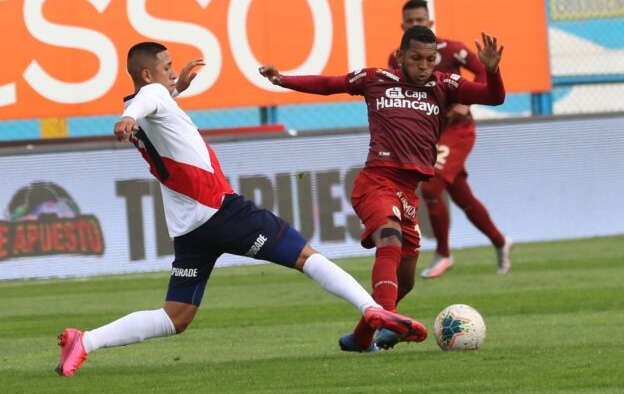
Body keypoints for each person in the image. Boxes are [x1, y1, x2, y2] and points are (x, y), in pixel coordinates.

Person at [55, 42, 429, 377]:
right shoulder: (148, 99)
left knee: (175, 316)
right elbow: (148, 101)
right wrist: (130, 117)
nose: (172, 72)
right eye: (166, 68)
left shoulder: (149, 102)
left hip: (189, 227)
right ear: (147, 75)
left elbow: (151, 105)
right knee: (305, 256)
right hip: (220, 210)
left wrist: (172, 91)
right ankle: (370, 308)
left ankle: (84, 341)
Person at [259, 25, 505, 352]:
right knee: (389, 239)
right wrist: (283, 79)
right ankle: (389, 318)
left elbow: (493, 97)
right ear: (400, 55)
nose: (424, 66)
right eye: (416, 58)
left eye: (430, 59)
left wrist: (492, 71)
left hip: (408, 193)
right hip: (376, 182)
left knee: (405, 280)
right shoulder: (376, 79)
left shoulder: (444, 84)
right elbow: (330, 84)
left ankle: (361, 339)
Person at [389, 0, 513, 280]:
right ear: (402, 26)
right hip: (429, 135)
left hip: (457, 131)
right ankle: (500, 241)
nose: (415, 24)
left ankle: (444, 252)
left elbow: (482, 71)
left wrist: (466, 103)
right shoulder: (397, 59)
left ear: (430, 22)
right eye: (410, 21)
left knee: (431, 187)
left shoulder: (452, 49)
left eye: (420, 20)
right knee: (461, 196)